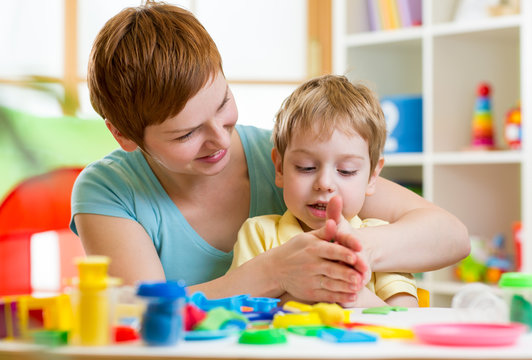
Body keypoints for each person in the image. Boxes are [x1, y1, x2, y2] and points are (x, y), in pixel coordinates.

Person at [70, 1, 469, 304]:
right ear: (124, 136)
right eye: (187, 133)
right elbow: (145, 314)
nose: (220, 140)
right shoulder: (109, 190)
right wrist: (272, 273)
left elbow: (450, 236)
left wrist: (354, 250)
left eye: (223, 104)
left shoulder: (295, 160)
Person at [230, 75, 418, 307]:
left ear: (372, 177)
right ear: (279, 167)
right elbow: (241, 311)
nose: (324, 183)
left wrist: (350, 294)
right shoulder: (259, 234)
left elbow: (406, 318)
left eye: (346, 171)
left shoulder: (381, 240)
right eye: (306, 167)